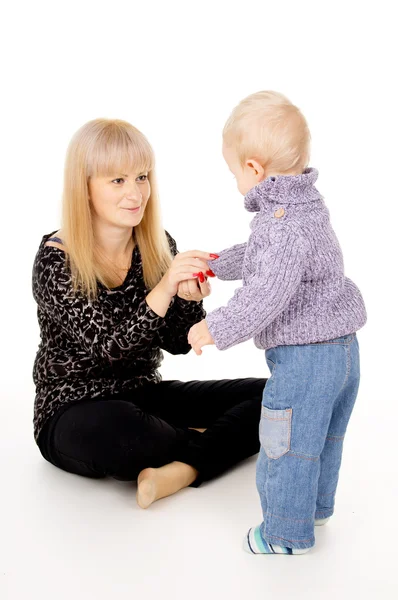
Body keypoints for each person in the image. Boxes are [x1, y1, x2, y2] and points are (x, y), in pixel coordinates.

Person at [32, 118, 267, 509]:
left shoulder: (157, 245)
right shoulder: (57, 260)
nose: (136, 193)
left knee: (276, 395)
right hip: (74, 407)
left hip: (143, 394)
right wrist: (163, 288)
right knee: (125, 436)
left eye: (142, 177)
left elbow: (177, 342)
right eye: (117, 180)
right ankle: (205, 442)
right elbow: (108, 349)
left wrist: (188, 296)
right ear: (85, 187)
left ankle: (183, 467)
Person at [188, 91, 367, 554]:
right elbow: (270, 261)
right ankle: (315, 508)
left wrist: (219, 326)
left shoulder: (280, 224)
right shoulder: (305, 207)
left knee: (285, 446)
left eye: (233, 173)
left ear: (253, 169)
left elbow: (268, 291)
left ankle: (285, 533)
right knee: (323, 436)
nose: (235, 182)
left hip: (306, 358)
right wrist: (217, 262)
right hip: (344, 351)